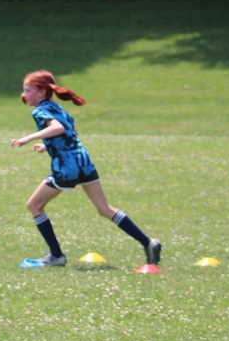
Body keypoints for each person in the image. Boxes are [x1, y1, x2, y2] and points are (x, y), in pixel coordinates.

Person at [9, 70, 161, 267]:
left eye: (27, 90)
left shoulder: (39, 111)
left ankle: (56, 256)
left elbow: (58, 129)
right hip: (83, 161)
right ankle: (148, 242)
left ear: (41, 92)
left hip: (67, 168)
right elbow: (71, 133)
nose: (24, 95)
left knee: (34, 206)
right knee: (104, 209)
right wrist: (47, 146)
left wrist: (27, 138)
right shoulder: (57, 108)